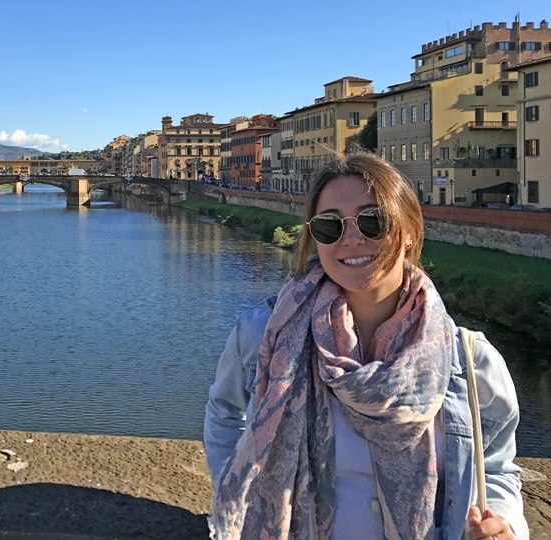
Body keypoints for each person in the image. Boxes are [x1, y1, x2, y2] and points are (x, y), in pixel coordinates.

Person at [204, 152, 527, 539]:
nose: (352, 238)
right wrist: (236, 487)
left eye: (374, 221)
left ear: (409, 230)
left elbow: (496, 467)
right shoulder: (263, 335)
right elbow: (224, 414)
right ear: (314, 238)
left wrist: (505, 525)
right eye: (329, 226)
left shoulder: (470, 361)